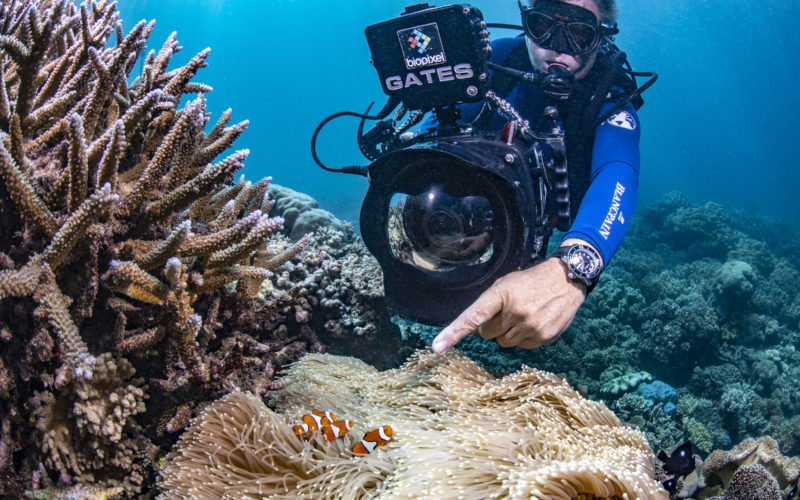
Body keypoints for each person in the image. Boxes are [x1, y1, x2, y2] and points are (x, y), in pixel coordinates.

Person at [431, 0, 641, 354]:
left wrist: (571, 271)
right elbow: (434, 138)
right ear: (526, 21)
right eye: (543, 25)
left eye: (577, 33)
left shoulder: (610, 94)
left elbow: (618, 172)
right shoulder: (495, 61)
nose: (558, 46)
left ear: (601, 33)